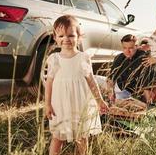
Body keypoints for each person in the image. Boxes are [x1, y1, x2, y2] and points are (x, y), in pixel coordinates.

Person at [44, 15, 109, 155]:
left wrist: (99, 100)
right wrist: (47, 104)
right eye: (61, 35)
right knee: (57, 136)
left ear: (79, 37)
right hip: (60, 104)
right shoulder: (54, 59)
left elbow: (91, 81)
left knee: (81, 136)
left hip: (80, 102)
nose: (66, 39)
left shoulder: (83, 57)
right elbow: (49, 83)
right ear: (55, 38)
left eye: (71, 35)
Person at [106, 34, 156, 104]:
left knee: (121, 100)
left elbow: (147, 85)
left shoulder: (144, 59)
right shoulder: (119, 57)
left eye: (130, 48)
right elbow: (110, 79)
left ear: (136, 46)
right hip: (119, 88)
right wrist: (110, 93)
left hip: (132, 94)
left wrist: (149, 102)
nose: (127, 51)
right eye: (124, 48)